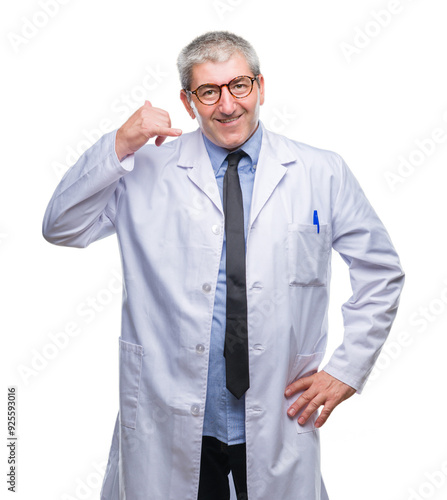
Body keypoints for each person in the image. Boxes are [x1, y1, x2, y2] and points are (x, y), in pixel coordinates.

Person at [42, 31, 405, 500]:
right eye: (209, 92)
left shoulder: (321, 172)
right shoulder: (147, 168)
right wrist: (117, 144)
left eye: (239, 86)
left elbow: (381, 271)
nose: (228, 105)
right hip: (167, 412)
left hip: (277, 413)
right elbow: (61, 226)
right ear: (188, 102)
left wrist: (346, 370)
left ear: (260, 86)